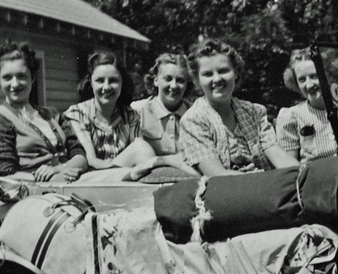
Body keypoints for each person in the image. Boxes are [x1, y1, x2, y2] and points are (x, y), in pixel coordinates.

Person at [180, 39, 298, 176]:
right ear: (197, 79)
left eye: (223, 71)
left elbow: (279, 157)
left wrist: (304, 174)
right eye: (208, 74)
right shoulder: (193, 120)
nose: (217, 79)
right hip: (226, 187)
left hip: (264, 183)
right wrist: (261, 179)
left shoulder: (254, 112)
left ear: (235, 72)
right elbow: (216, 174)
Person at [0, 40, 87, 182]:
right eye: (7, 77)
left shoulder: (52, 115)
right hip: (35, 189)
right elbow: (5, 173)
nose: (15, 84)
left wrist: (59, 169)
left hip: (72, 179)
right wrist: (55, 177)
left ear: (32, 77)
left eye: (21, 76)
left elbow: (81, 157)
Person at [63, 50, 156, 172]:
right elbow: (91, 160)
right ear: (90, 82)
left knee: (141, 148)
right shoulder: (78, 113)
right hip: (90, 177)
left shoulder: (130, 115)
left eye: (113, 80)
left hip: (122, 176)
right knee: (140, 148)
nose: (106, 87)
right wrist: (128, 171)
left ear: (122, 82)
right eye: (100, 80)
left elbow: (140, 155)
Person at [130, 53, 197, 174]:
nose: (174, 86)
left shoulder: (195, 114)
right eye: (168, 79)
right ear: (156, 80)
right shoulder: (137, 111)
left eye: (180, 80)